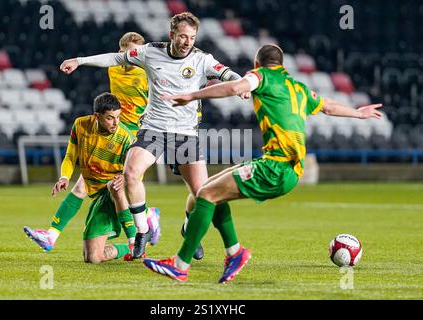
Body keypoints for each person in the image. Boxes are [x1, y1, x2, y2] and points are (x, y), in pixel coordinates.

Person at [142, 43, 383, 282]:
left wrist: (192, 95)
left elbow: (237, 87)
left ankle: (181, 265)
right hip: (283, 168)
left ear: (256, 64)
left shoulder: (261, 76)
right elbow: (327, 106)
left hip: (276, 168)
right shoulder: (297, 87)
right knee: (206, 190)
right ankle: (234, 253)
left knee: (206, 195)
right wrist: (359, 113)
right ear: (282, 65)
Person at [59, 12, 249, 259]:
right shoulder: (149, 52)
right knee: (131, 172)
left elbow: (229, 74)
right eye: (182, 36)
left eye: (191, 37)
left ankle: (187, 228)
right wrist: (80, 60)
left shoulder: (203, 60)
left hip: (185, 134)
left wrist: (242, 87)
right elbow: (115, 58)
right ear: (172, 35)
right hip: (154, 129)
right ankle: (141, 231)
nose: (187, 42)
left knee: (202, 192)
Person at [23, 33, 161, 254]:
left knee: (123, 186)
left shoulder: (147, 74)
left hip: (135, 137)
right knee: (85, 184)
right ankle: (52, 235)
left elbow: (159, 98)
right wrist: (78, 61)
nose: (137, 57)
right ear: (121, 53)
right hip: (113, 129)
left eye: (140, 53)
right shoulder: (114, 67)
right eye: (132, 53)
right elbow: (103, 59)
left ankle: (141, 229)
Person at [46, 92, 138, 263]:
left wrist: (125, 178)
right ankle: (131, 248)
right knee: (93, 257)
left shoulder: (126, 137)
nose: (116, 123)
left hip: (115, 192)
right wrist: (64, 177)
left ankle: (135, 240)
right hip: (97, 192)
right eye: (110, 118)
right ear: (97, 116)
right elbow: (70, 156)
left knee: (114, 186)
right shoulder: (81, 125)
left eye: (118, 117)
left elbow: (135, 171)